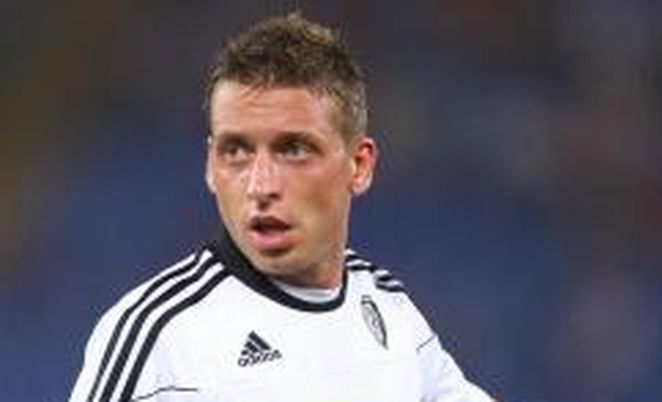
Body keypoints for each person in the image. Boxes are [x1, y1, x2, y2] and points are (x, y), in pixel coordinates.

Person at [69, 12, 494, 402]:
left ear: (359, 166)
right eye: (236, 151)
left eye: (294, 149)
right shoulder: (161, 336)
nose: (261, 185)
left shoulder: (389, 310)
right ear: (210, 166)